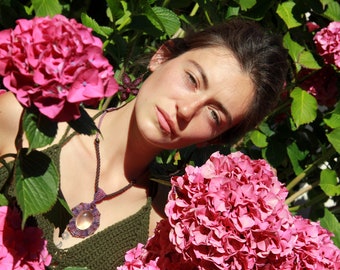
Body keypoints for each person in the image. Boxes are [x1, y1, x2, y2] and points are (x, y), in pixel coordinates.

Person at [0, 18, 288, 269]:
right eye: (191, 79)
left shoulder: (162, 228)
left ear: (214, 139)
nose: (186, 110)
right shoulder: (19, 119)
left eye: (214, 114)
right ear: (161, 57)